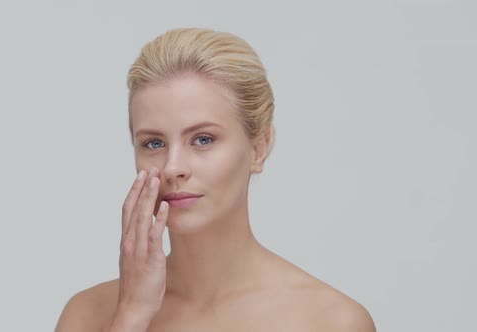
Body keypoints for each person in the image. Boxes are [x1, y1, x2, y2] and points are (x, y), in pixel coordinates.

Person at [55, 27, 376, 332]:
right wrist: (131, 316)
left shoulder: (330, 321)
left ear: (258, 149)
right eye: (154, 143)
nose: (172, 167)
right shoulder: (89, 315)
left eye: (203, 139)